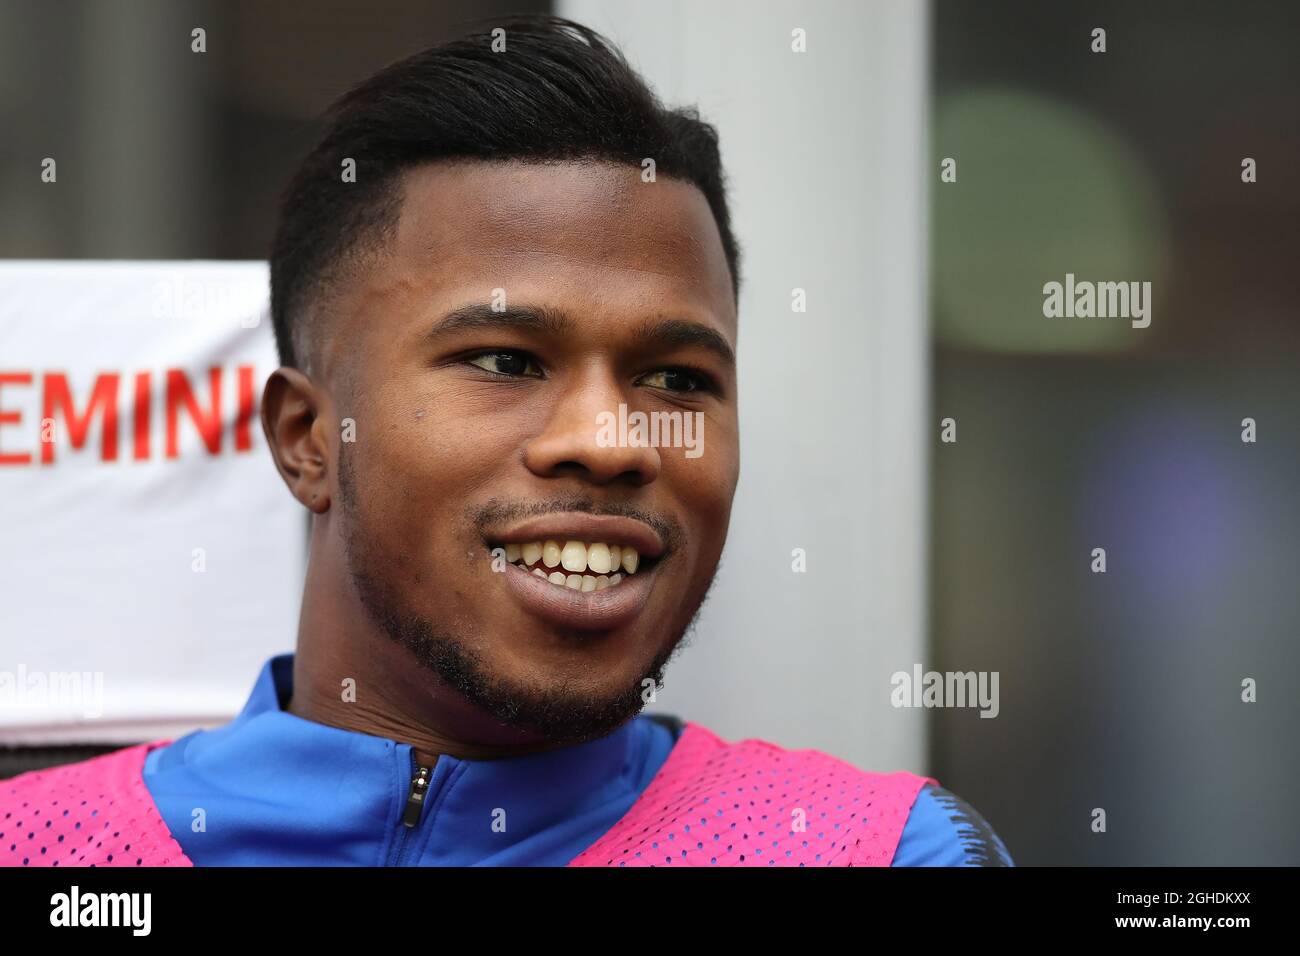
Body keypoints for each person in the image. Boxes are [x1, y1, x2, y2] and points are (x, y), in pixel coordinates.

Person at [0, 15, 1011, 867]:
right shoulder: (44, 849)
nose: (611, 440)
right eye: (505, 360)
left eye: (676, 378)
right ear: (306, 439)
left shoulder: (874, 850)